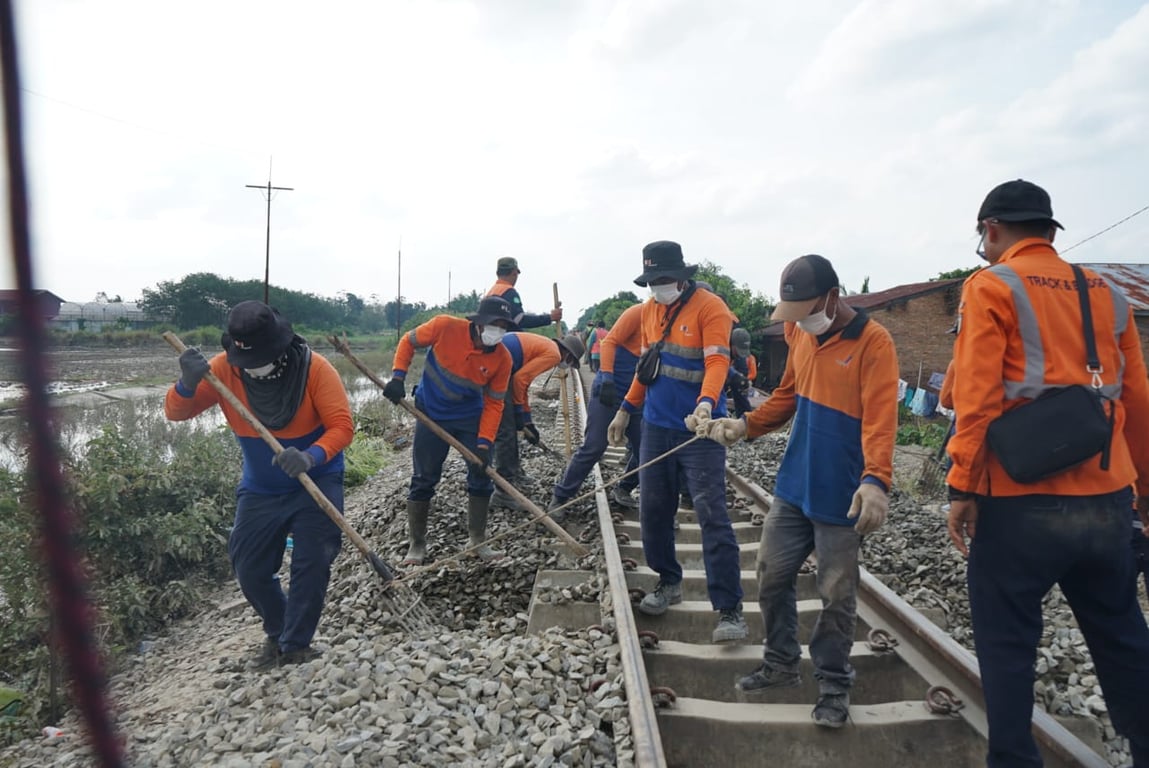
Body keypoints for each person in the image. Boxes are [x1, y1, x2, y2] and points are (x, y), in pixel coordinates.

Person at [945, 179, 1149, 766]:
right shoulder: (1107, 294)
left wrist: (962, 487)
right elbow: (1136, 400)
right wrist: (1145, 494)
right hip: (1107, 503)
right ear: (1050, 230)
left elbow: (977, 398)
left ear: (991, 230)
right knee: (1124, 642)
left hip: (1018, 503)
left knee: (1008, 650)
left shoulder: (990, 286)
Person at [703, 253, 899, 728]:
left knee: (835, 594)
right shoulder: (801, 334)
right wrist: (743, 425)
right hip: (795, 486)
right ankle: (781, 664)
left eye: (805, 311)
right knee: (771, 574)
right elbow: (788, 396)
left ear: (832, 298)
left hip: (840, 494)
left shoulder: (874, 343)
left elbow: (879, 420)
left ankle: (833, 684)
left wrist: (876, 481)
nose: (797, 323)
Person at [165, 301, 354, 669]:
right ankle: (279, 628)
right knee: (248, 567)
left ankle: (296, 646)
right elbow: (175, 413)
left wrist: (311, 456)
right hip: (261, 488)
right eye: (247, 360)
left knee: (312, 561)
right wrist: (186, 383)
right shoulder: (222, 372)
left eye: (263, 358)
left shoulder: (315, 369)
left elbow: (342, 427)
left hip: (316, 478)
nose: (255, 367)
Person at [606, 240, 747, 643]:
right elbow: (646, 368)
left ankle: (730, 609)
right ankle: (669, 581)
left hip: (700, 431)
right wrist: (625, 408)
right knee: (653, 510)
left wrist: (706, 405)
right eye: (652, 281)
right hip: (656, 426)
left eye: (664, 280)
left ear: (682, 277)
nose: (658, 287)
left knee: (711, 514)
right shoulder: (649, 311)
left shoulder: (710, 307)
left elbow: (717, 361)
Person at [384, 296, 516, 565]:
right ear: (479, 324)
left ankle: (477, 540)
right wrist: (398, 377)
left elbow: (494, 404)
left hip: (469, 418)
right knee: (424, 477)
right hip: (430, 413)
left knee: (481, 473)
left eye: (503, 327)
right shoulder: (444, 327)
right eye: (494, 324)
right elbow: (408, 342)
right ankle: (417, 545)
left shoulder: (503, 358)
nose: (497, 332)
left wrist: (483, 442)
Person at [551, 302, 644, 516]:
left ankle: (624, 488)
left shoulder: (674, 325)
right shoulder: (637, 313)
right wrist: (608, 378)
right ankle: (561, 496)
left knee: (646, 450)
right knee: (594, 446)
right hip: (609, 392)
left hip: (638, 395)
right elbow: (609, 342)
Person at [490, 330, 586, 510]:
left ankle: (515, 473)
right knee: (506, 432)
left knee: (510, 428)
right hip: (495, 370)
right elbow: (519, 381)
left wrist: (527, 421)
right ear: (568, 354)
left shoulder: (547, 347)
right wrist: (519, 414)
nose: (568, 365)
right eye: (572, 362)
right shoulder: (553, 354)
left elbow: (522, 386)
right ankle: (503, 491)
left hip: (502, 369)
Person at [485, 257, 563, 330]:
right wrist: (550, 318)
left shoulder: (490, 293)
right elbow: (520, 320)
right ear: (514, 273)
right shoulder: (509, 292)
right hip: (505, 339)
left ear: (497, 273)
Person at [726, 327, 758, 418]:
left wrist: (744, 381)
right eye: (738, 350)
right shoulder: (721, 353)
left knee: (741, 392)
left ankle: (746, 421)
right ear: (731, 344)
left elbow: (751, 374)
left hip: (737, 376)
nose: (740, 355)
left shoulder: (743, 358)